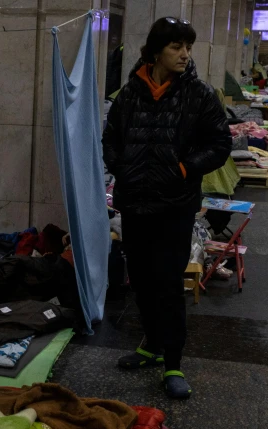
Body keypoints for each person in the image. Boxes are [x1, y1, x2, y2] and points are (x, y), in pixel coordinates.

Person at [101, 17, 231, 399]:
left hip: (174, 206)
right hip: (135, 203)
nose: (184, 55)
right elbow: (110, 137)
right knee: (140, 280)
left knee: (168, 284)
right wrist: (121, 165)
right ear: (156, 51)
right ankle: (151, 346)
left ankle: (173, 362)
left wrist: (184, 168)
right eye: (177, 47)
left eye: (187, 47)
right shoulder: (130, 94)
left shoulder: (199, 95)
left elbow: (220, 144)